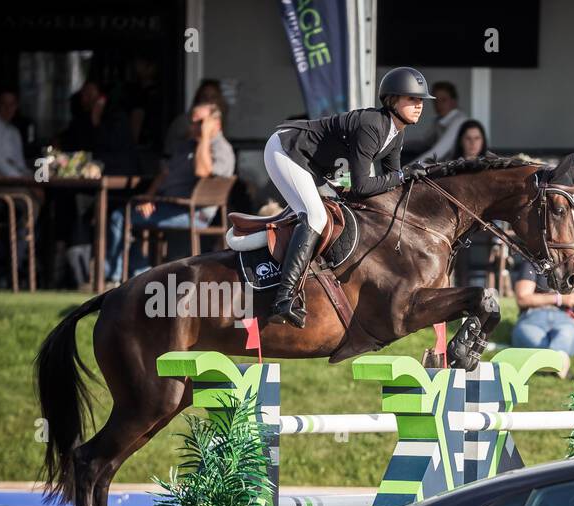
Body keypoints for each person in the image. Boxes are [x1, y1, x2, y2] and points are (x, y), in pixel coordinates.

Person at [263, 66, 428, 327]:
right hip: (287, 151)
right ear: (392, 101)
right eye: (412, 99)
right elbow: (363, 186)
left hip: (315, 166)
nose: (419, 106)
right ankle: (283, 298)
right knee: (315, 216)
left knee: (344, 212)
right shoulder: (372, 125)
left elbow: (391, 183)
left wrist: (408, 180)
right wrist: (404, 175)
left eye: (421, 101)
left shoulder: (396, 133)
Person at [104, 101, 235, 284]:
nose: (194, 126)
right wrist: (150, 198)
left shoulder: (221, 149)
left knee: (121, 217)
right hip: (168, 205)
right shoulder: (187, 145)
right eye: (192, 121)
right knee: (124, 215)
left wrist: (205, 137)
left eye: (200, 122)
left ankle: (113, 279)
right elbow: (164, 174)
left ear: (216, 124)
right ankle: (140, 274)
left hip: (193, 212)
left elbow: (202, 171)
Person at [510, 255, 574, 373]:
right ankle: (558, 363)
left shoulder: (572, 267)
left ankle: (550, 363)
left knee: (566, 335)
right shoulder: (532, 263)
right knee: (533, 337)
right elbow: (522, 298)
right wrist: (560, 299)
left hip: (563, 318)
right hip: (532, 318)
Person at [164, 79, 230, 157]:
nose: (208, 100)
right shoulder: (183, 122)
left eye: (213, 97)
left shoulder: (223, 146)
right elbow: (167, 155)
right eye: (204, 96)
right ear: (198, 99)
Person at [414, 80, 467, 162]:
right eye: (435, 101)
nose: (438, 104)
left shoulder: (459, 121)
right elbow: (424, 142)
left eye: (443, 100)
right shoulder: (439, 120)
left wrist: (407, 169)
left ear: (454, 101)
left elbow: (438, 152)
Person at [0, 91, 30, 176]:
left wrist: (31, 176)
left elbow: (20, 164)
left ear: (16, 106)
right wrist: (22, 179)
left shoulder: (14, 131)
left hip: (13, 178)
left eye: (12, 104)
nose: (8, 108)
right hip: (1, 181)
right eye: (3, 103)